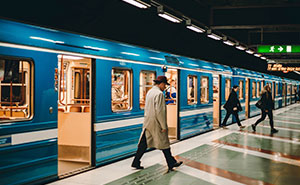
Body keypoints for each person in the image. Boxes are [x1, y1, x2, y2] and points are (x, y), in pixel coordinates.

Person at [131, 76, 183, 172]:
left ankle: (136, 161)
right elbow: (160, 111)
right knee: (164, 144)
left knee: (144, 143)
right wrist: (164, 126)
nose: (165, 88)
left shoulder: (150, 92)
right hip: (156, 123)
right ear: (161, 83)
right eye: (164, 85)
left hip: (148, 121)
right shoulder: (159, 94)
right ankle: (171, 163)